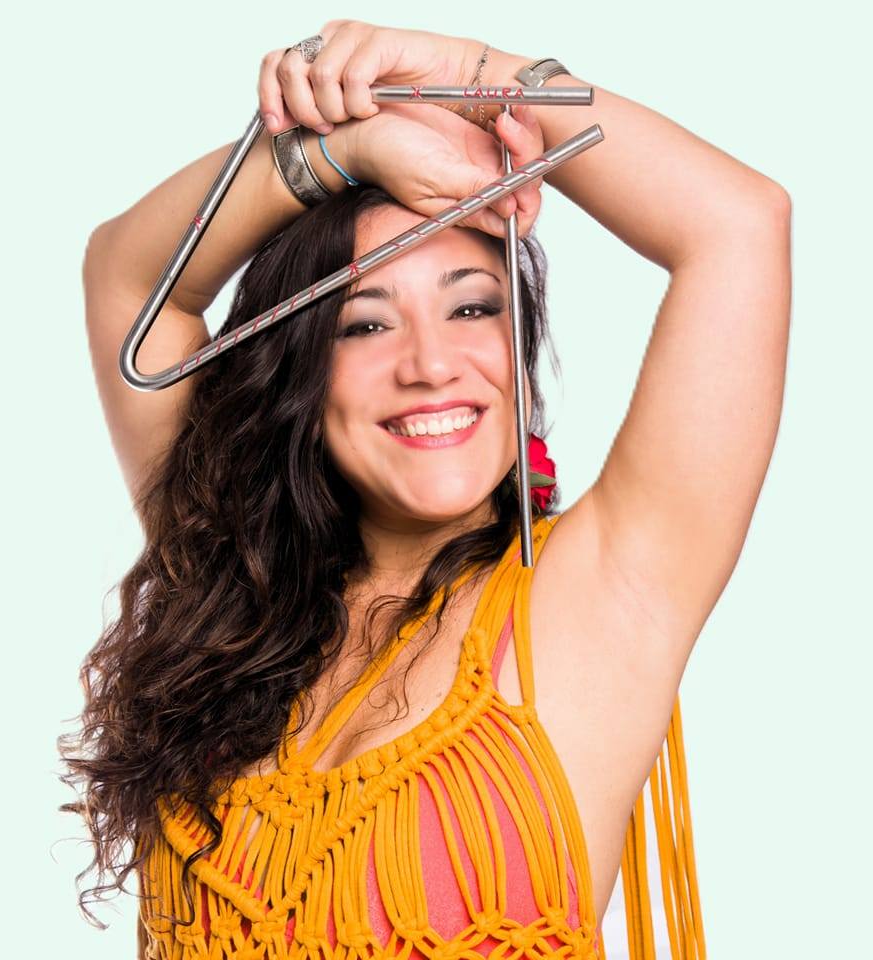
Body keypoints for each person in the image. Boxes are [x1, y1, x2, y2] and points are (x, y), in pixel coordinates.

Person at [61, 19, 791, 960]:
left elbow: (736, 222)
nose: (432, 364)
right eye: (365, 324)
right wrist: (344, 153)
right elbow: (127, 280)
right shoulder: (229, 573)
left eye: (472, 307)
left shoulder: (600, 593)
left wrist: (466, 75)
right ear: (296, 374)